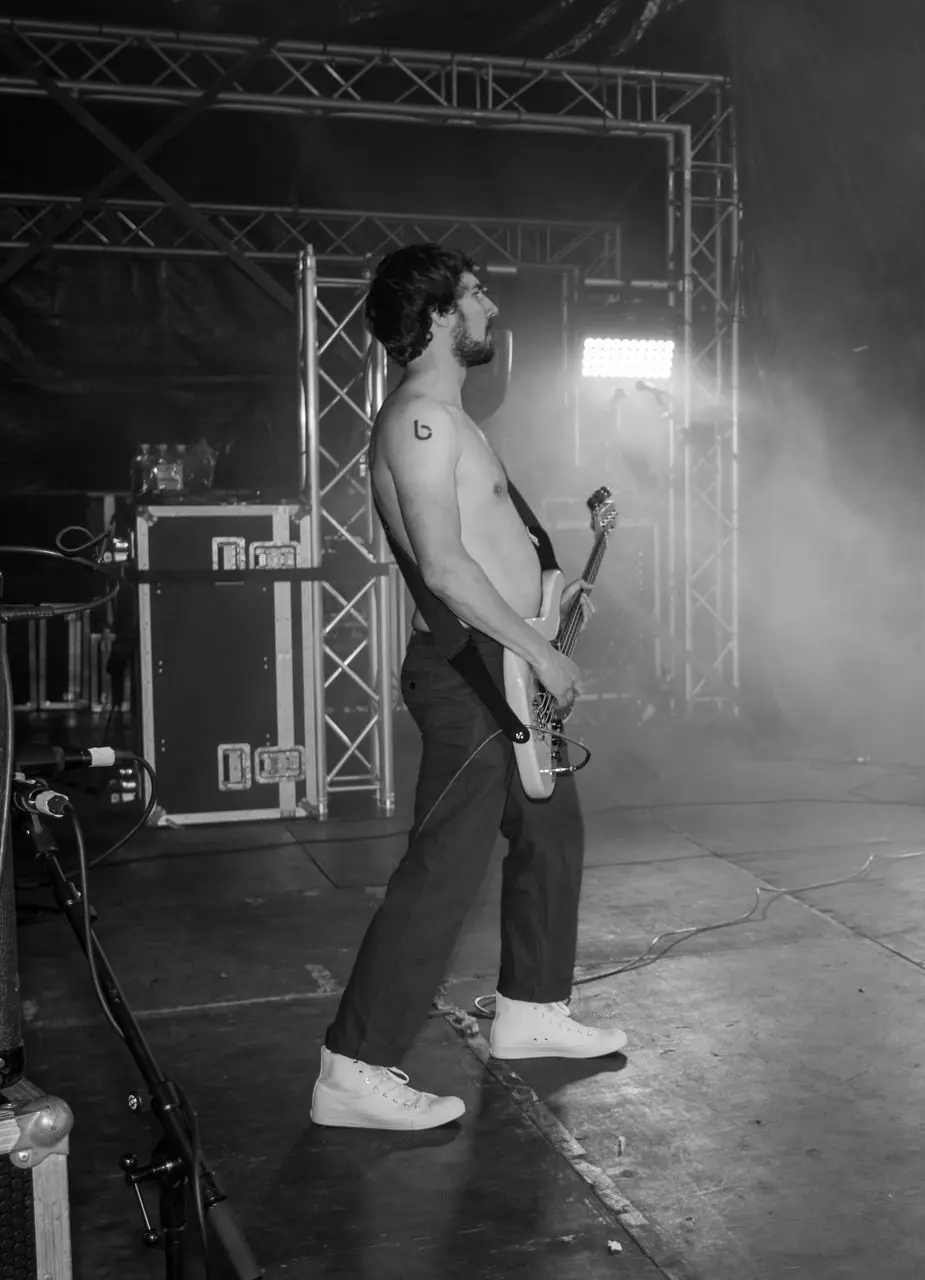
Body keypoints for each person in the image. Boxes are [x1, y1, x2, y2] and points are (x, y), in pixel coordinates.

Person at [311, 244, 627, 1132]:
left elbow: (492, 548)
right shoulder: (421, 421)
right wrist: (542, 653)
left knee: (551, 833)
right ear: (440, 314)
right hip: (475, 672)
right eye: (477, 294)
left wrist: (552, 601)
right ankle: (352, 1068)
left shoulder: (452, 419)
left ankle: (531, 1012)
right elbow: (446, 568)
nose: (491, 307)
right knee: (443, 868)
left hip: (508, 661)